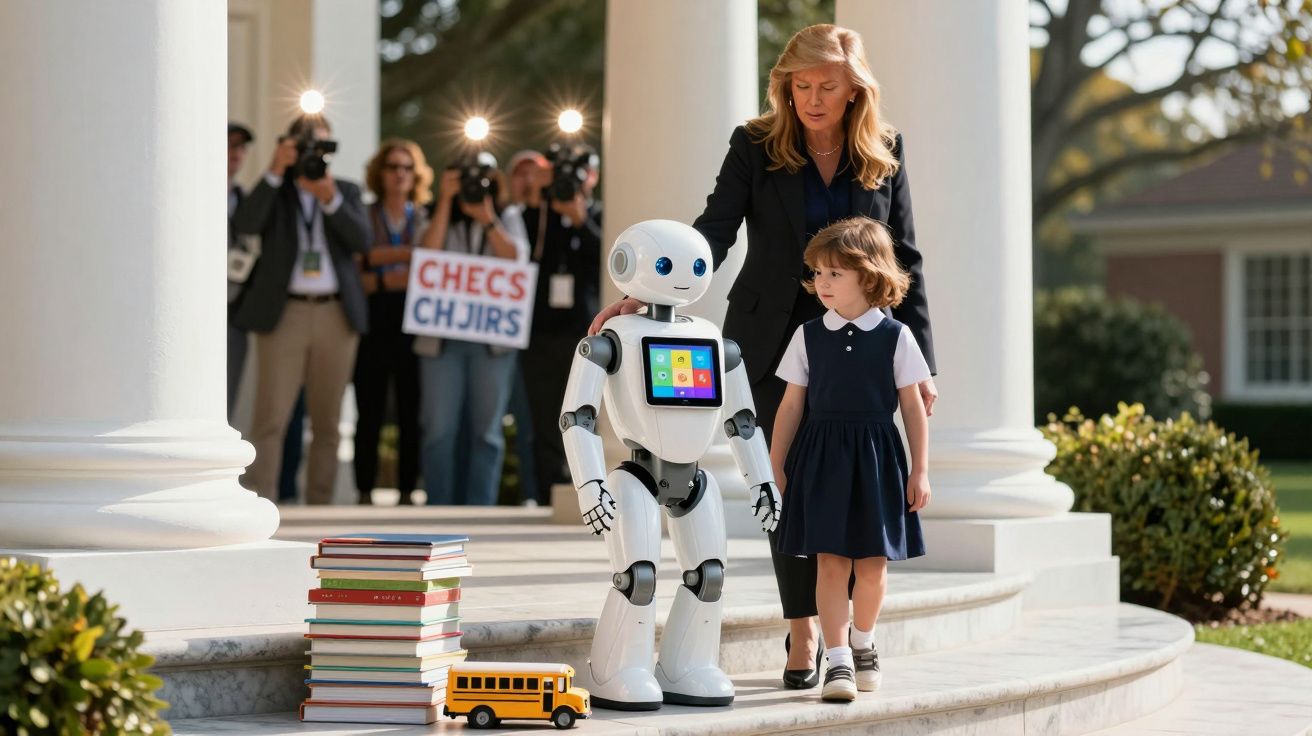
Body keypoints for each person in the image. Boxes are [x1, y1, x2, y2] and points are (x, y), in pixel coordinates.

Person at [588, 24, 938, 689]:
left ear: (854, 88)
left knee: (845, 478)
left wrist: (923, 363)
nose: (811, 98)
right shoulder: (756, 144)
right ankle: (803, 629)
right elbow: (715, 227)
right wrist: (649, 290)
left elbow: (904, 257)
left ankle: (844, 632)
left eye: (826, 87)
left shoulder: (885, 150)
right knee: (786, 484)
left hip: (864, 347)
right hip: (774, 337)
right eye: (799, 86)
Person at [770, 218, 931, 701]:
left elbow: (912, 406)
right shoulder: (808, 335)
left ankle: (863, 641)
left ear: (869, 275)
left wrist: (920, 469)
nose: (822, 282)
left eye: (835, 273)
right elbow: (792, 404)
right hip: (820, 458)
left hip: (878, 459)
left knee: (873, 565)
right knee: (830, 564)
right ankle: (837, 660)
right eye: (818, 272)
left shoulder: (896, 336)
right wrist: (775, 464)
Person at [232, 114, 371, 504]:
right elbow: (246, 223)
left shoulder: (344, 190)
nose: (313, 154)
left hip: (336, 315)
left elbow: (363, 240)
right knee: (270, 418)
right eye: (304, 146)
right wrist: (275, 170)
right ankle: (261, 502)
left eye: (320, 147)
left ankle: (321, 506)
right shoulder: (277, 191)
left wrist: (329, 200)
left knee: (328, 422)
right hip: (285, 314)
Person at [414, 160, 530, 505]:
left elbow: (516, 258)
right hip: (441, 341)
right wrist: (447, 202)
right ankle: (438, 505)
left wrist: (487, 218)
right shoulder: (433, 212)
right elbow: (425, 256)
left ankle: (482, 508)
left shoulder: (505, 214)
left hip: (492, 343)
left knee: (487, 432)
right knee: (438, 430)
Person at [516, 149, 602, 505]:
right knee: (542, 413)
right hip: (539, 330)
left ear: (593, 177)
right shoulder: (536, 216)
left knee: (583, 412)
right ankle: (546, 491)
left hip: (584, 330)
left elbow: (610, 262)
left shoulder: (599, 214)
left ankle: (585, 487)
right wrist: (542, 201)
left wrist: (581, 219)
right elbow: (527, 255)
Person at [353, 139, 432, 505]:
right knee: (368, 406)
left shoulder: (426, 216)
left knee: (411, 407)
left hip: (416, 318)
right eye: (393, 167)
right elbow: (359, 259)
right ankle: (364, 489)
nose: (400, 174)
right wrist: (406, 260)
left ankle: (406, 490)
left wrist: (382, 264)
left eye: (406, 168)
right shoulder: (364, 213)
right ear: (380, 173)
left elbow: (434, 262)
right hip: (373, 317)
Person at [226, 122, 255, 419]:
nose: (235, 153)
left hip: (234, 311)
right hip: (192, 308)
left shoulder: (248, 202)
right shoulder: (193, 195)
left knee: (227, 395)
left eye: (240, 147)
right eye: (229, 144)